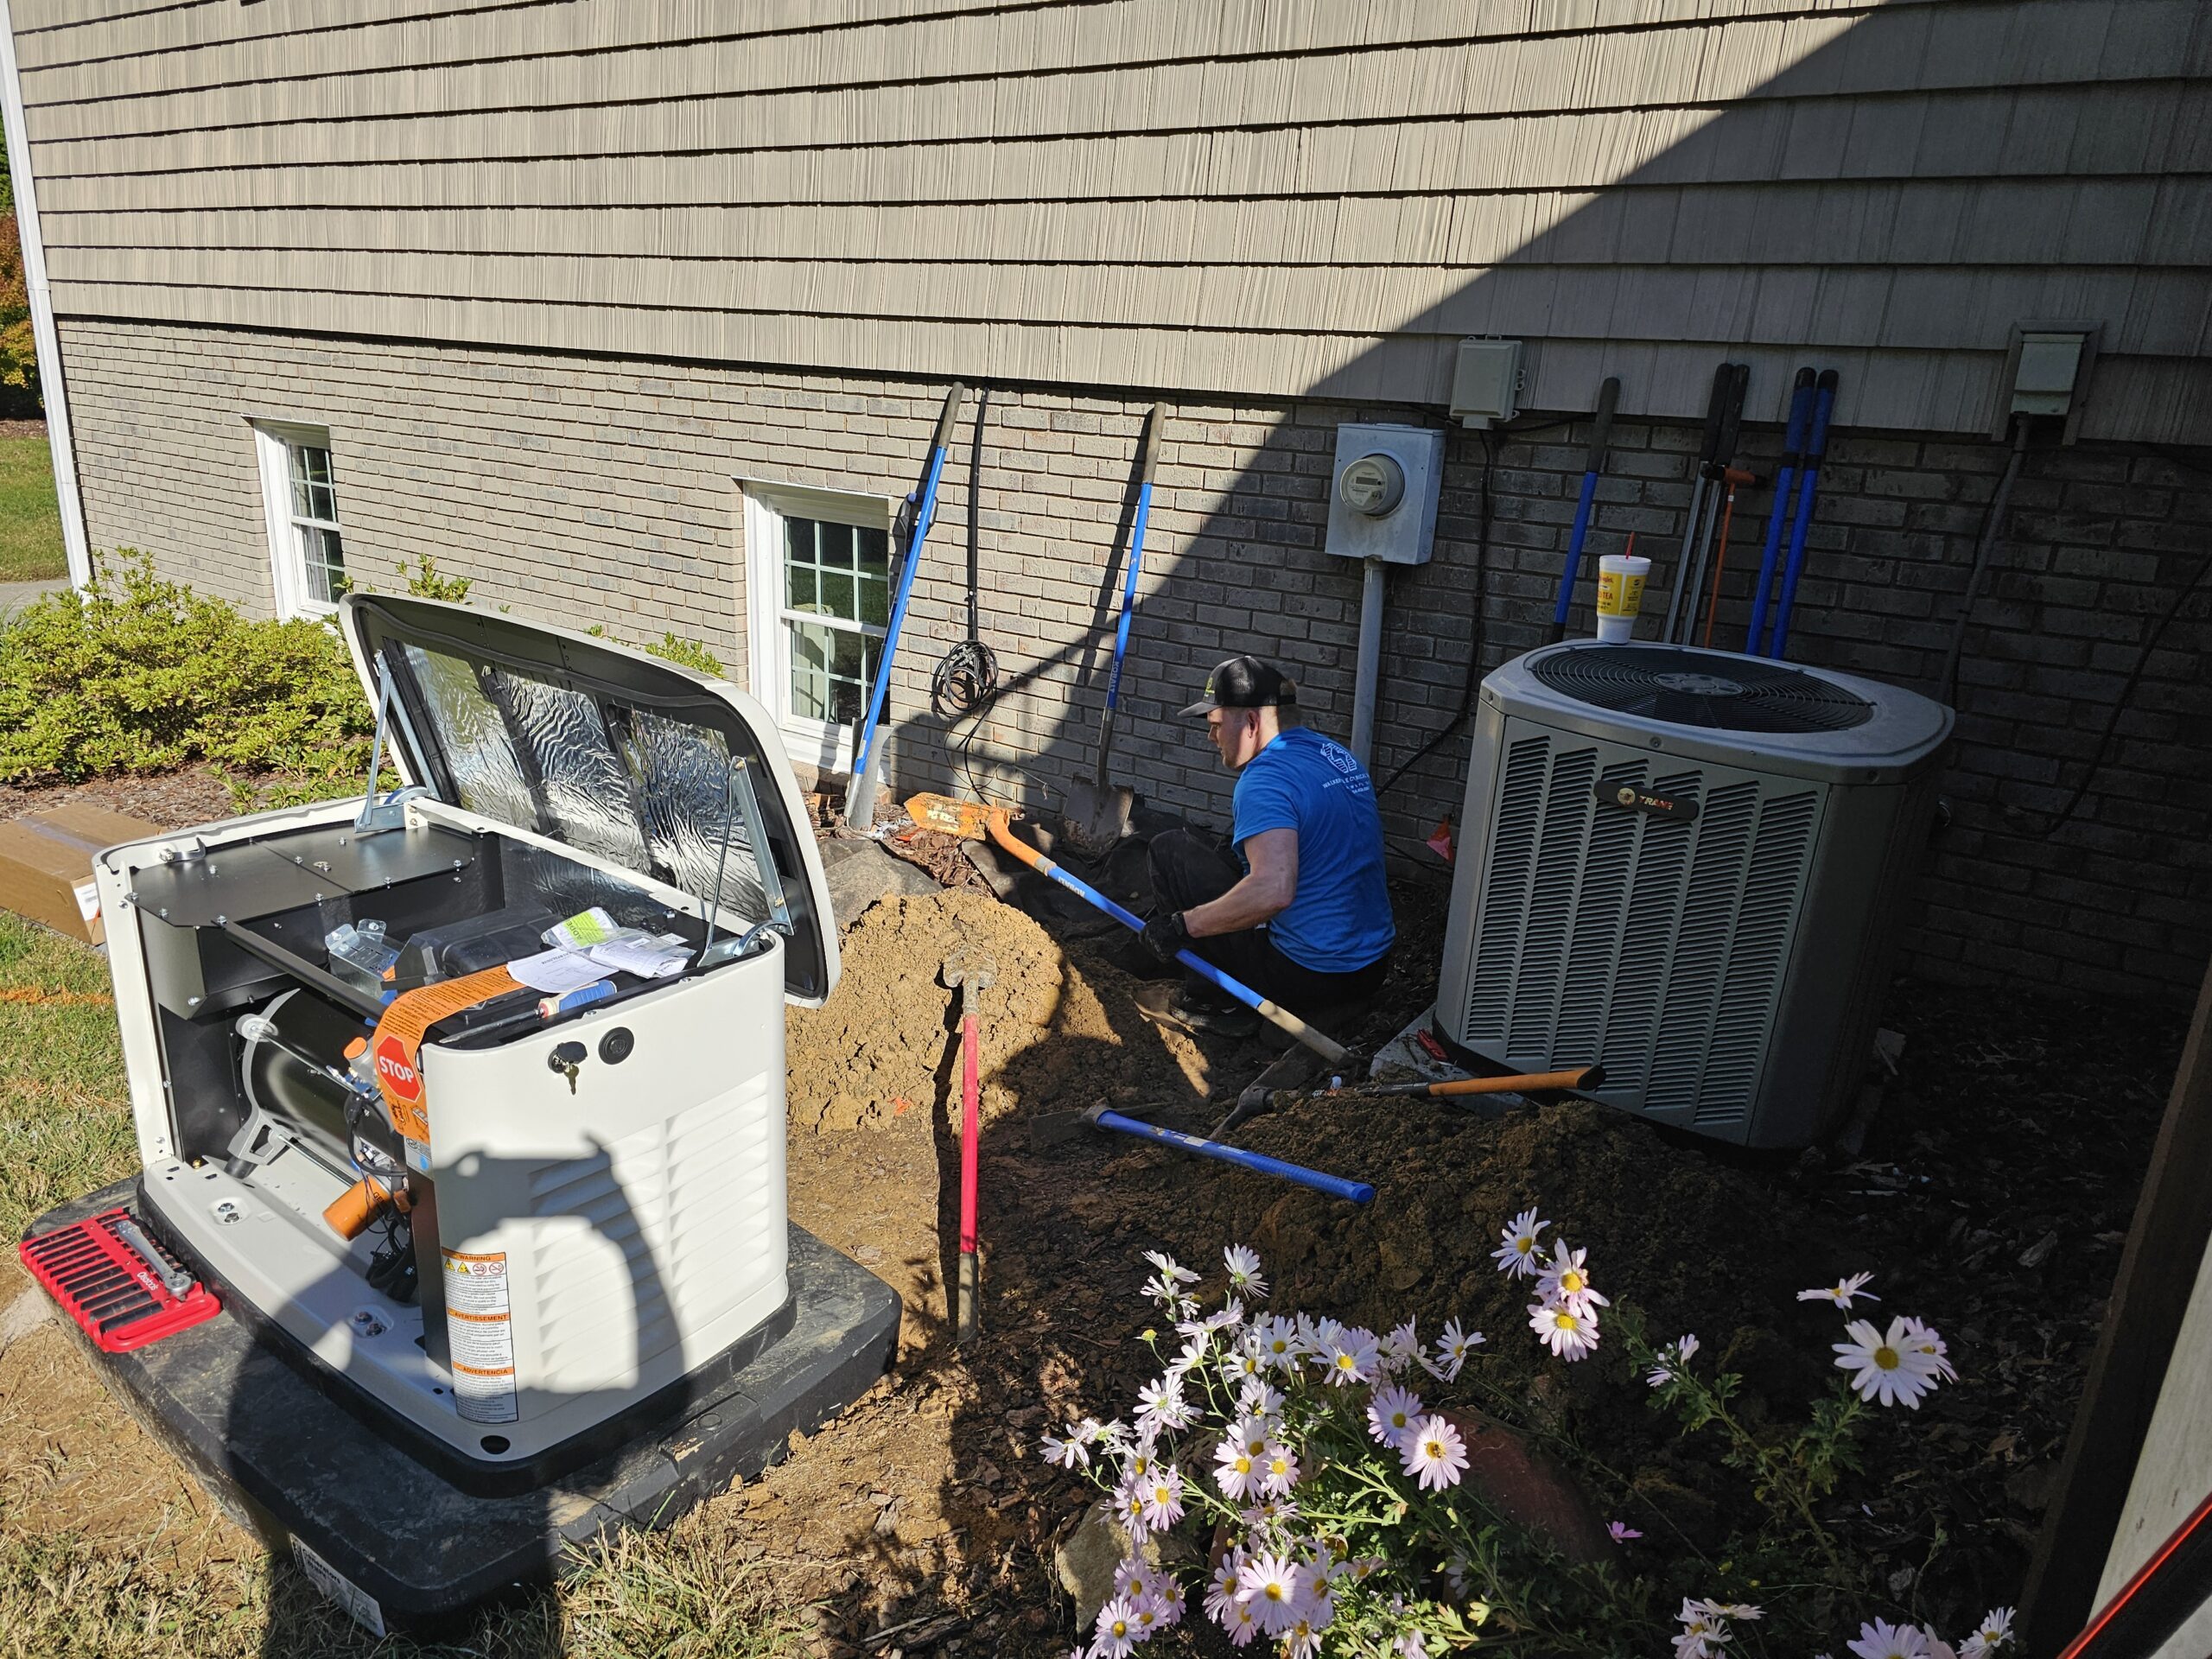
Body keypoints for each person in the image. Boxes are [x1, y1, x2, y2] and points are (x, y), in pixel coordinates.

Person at [1133, 654, 1395, 1038]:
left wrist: (1181, 925)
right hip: (1369, 967)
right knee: (1227, 851)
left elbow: (1273, 891)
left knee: (1170, 849)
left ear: (1252, 722)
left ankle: (1216, 1003)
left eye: (1216, 725)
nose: (1211, 738)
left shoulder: (1264, 781)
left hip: (1308, 975)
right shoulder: (1334, 757)